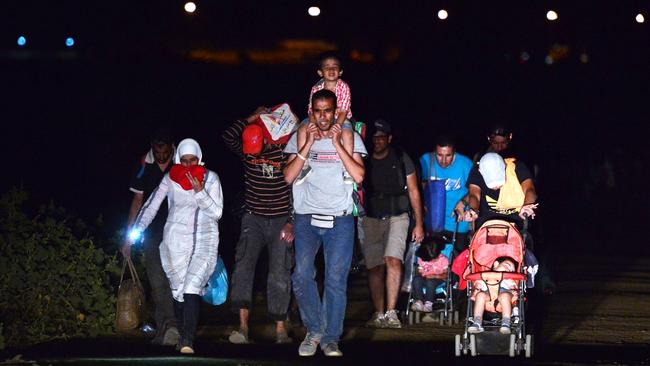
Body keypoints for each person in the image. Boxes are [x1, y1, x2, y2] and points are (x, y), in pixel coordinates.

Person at [283, 89, 367, 357]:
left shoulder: (346, 133)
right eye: (317, 111)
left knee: (335, 278)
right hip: (307, 217)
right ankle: (314, 330)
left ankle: (331, 338)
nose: (322, 117)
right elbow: (288, 177)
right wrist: (307, 144)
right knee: (301, 274)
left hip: (340, 218)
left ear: (335, 111)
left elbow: (359, 175)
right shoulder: (302, 131)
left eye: (327, 111)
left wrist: (338, 144)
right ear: (311, 111)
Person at [128, 138, 223, 354]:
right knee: (179, 292)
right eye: (185, 160)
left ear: (200, 159)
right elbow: (151, 205)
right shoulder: (169, 179)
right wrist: (138, 229)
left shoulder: (211, 179)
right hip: (175, 243)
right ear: (179, 159)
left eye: (193, 160)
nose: (189, 165)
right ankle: (182, 335)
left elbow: (217, 213)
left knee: (192, 287)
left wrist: (200, 192)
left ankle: (188, 340)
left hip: (204, 241)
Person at [221, 107, 295, 345]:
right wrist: (250, 118)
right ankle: (242, 328)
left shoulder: (283, 150)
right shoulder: (246, 149)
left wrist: (292, 222)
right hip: (253, 217)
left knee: (279, 272)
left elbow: (296, 184)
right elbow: (227, 136)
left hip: (281, 218)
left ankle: (280, 329)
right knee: (243, 267)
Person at [359, 119, 424, 328]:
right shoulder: (363, 158)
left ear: (389, 138)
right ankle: (378, 312)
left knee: (393, 259)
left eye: (381, 137)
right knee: (374, 266)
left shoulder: (401, 157)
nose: (377, 141)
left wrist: (419, 223)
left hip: (398, 215)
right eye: (374, 137)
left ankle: (391, 312)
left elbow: (414, 190)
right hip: (371, 217)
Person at [120, 130, 179, 346]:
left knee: (175, 279)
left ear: (172, 148)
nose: (162, 157)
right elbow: (137, 200)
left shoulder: (182, 160)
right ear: (153, 148)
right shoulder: (145, 164)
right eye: (158, 152)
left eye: (165, 152)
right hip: (152, 230)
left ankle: (176, 325)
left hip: (178, 230)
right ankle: (165, 326)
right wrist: (129, 237)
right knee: (156, 279)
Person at [295, 53, 355, 184]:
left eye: (335, 67)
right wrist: (312, 124)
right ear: (320, 72)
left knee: (348, 134)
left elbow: (344, 110)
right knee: (302, 129)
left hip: (340, 118)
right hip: (318, 118)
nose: (331, 69)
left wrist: (337, 125)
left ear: (340, 71)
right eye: (327, 67)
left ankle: (347, 169)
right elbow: (311, 109)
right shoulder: (316, 88)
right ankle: (304, 165)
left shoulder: (343, 87)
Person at [419, 136, 473, 254]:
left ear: (454, 152)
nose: (443, 161)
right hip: (434, 221)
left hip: (458, 222)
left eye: (448, 156)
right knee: (433, 260)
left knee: (456, 260)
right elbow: (419, 186)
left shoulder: (465, 163)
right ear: (434, 152)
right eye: (439, 155)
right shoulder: (425, 160)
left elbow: (475, 191)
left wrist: (463, 202)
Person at [463, 152, 538, 229]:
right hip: (486, 223)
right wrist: (473, 210)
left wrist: (527, 205)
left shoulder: (518, 168)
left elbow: (530, 190)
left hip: (516, 222)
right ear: (480, 171)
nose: (496, 187)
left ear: (505, 166)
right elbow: (474, 195)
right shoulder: (476, 172)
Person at [468, 257, 518, 334]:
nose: (510, 269)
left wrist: (512, 290)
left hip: (502, 303)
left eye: (512, 270)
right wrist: (477, 288)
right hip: (488, 300)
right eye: (507, 265)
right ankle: (477, 321)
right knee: (480, 295)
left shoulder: (509, 279)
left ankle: (506, 322)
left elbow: (513, 287)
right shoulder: (485, 276)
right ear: (496, 264)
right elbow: (478, 283)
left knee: (504, 296)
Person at [411, 236, 449, 313]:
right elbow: (420, 271)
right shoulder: (422, 259)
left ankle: (429, 303)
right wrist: (421, 274)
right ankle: (419, 301)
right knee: (416, 279)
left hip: (438, 279)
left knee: (430, 282)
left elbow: (447, 275)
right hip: (425, 278)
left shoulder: (443, 260)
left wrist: (435, 276)